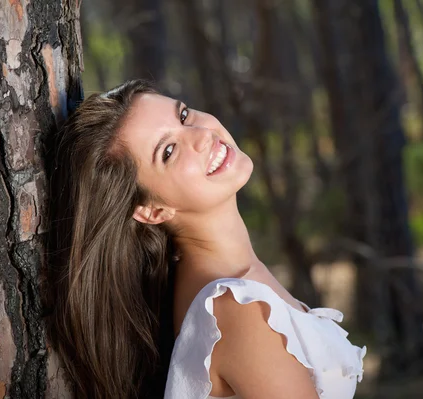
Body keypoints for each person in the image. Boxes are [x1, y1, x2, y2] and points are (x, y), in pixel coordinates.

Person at [47, 80, 365, 399]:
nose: (201, 135)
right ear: (152, 211)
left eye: (183, 115)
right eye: (168, 151)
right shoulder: (235, 310)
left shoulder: (227, 288)